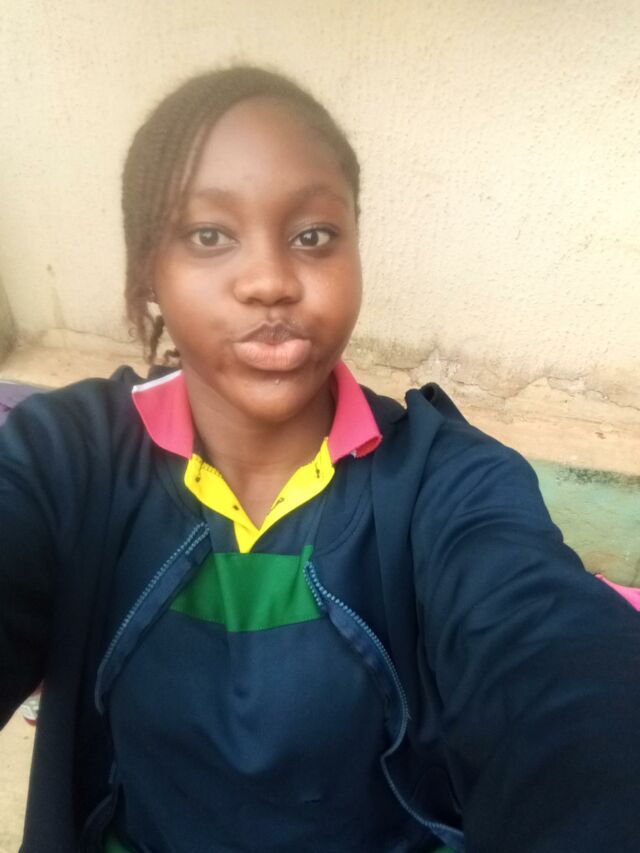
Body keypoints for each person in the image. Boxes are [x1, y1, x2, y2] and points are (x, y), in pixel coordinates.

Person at [1, 66, 639, 853]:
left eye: (312, 235)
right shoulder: (66, 459)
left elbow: (555, 667)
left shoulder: (446, 482)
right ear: (148, 270)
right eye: (209, 235)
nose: (271, 281)